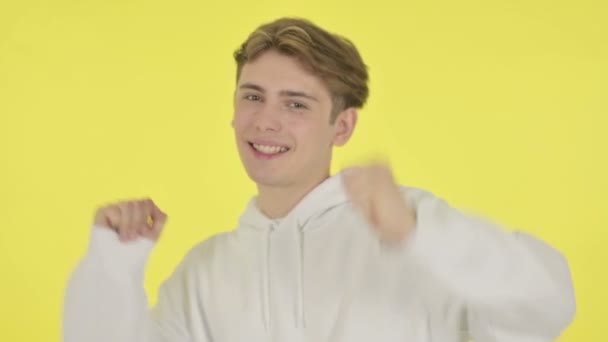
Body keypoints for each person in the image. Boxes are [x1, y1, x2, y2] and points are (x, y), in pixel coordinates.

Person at [63, 17, 576, 342]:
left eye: (295, 103)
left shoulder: (416, 234)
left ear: (343, 125)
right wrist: (112, 268)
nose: (265, 120)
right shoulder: (204, 274)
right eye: (252, 95)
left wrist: (421, 234)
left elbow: (546, 307)